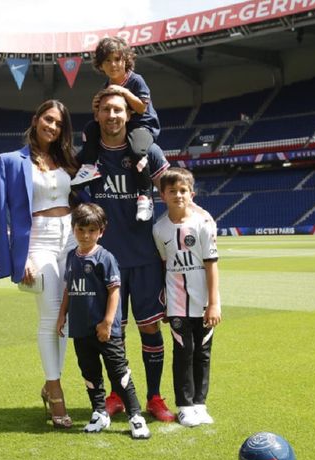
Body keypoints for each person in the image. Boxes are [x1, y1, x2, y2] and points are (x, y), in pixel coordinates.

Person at [77, 87, 176, 422]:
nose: (112, 116)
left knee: (150, 329)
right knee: (110, 334)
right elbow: (74, 194)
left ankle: (155, 398)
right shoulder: (90, 158)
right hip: (107, 263)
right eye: (106, 110)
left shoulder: (150, 151)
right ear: (97, 115)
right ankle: (117, 395)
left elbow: (173, 189)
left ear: (128, 114)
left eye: (118, 110)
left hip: (146, 259)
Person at [0, 99, 78, 429]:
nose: (52, 126)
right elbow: (0, 216)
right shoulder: (10, 162)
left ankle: (50, 382)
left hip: (70, 237)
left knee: (67, 317)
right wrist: (18, 258)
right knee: (50, 314)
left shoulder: (68, 159)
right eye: (48, 119)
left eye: (58, 123)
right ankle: (55, 391)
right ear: (36, 119)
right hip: (37, 242)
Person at [56, 203, 151, 439]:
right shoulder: (71, 257)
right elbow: (69, 289)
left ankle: (135, 416)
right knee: (90, 374)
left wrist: (107, 322)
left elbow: (114, 291)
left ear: (101, 231)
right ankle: (99, 413)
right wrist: (62, 315)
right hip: (80, 328)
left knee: (119, 374)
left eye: (92, 230)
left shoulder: (105, 257)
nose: (86, 235)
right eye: (81, 230)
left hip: (106, 330)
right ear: (73, 229)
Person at [152, 167, 221, 427]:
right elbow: (163, 265)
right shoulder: (159, 229)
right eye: (172, 191)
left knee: (202, 352)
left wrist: (214, 303)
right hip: (176, 302)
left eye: (183, 191)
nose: (178, 195)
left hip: (203, 302)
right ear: (163, 196)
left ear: (191, 194)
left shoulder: (203, 224)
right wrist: (165, 304)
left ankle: (200, 404)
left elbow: (211, 264)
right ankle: (184, 405)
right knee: (183, 352)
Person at [73, 36, 160, 222]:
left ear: (126, 60)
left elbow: (141, 108)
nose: (113, 64)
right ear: (100, 65)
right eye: (108, 60)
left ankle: (145, 196)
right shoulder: (106, 86)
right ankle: (89, 166)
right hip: (122, 128)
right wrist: (95, 105)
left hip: (142, 127)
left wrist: (124, 92)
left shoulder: (136, 81)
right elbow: (101, 115)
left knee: (137, 152)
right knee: (90, 128)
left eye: (118, 59)